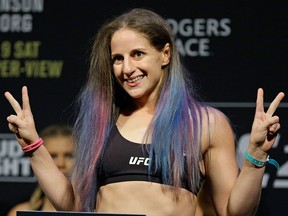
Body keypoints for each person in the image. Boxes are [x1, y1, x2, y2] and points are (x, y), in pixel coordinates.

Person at [4, 8, 285, 216]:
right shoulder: (103, 121)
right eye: (117, 58)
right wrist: (33, 145)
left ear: (165, 54)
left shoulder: (205, 123)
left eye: (137, 54)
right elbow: (72, 205)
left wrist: (256, 157)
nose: (127, 69)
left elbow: (234, 212)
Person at [7, 124, 74, 216]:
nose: (61, 163)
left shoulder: (96, 209)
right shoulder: (19, 213)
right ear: (37, 161)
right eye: (52, 156)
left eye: (69, 155)